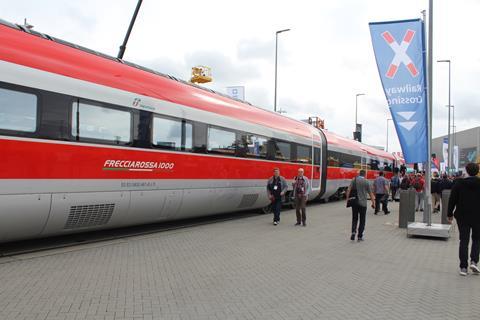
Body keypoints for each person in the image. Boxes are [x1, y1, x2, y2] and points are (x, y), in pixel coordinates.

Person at [447, 163, 480, 276]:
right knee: (476, 239)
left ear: (466, 171)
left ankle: (463, 267)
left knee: (464, 241)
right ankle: (474, 261)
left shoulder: (459, 183)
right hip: (477, 216)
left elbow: (452, 199)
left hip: (462, 216)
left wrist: (449, 214)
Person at [346, 169, 375, 241]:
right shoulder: (366, 182)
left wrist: (347, 199)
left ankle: (353, 232)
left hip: (355, 202)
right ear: (364, 174)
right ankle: (360, 236)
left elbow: (349, 189)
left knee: (354, 218)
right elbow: (370, 193)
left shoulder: (354, 179)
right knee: (362, 220)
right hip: (363, 204)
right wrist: (373, 203)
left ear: (359, 174)